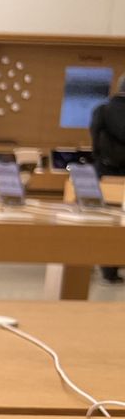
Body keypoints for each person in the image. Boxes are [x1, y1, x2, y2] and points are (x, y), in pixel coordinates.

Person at [89, 72, 125, 283]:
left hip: (105, 172)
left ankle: (106, 266)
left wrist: (100, 161)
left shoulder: (102, 110)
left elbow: (95, 141)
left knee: (105, 219)